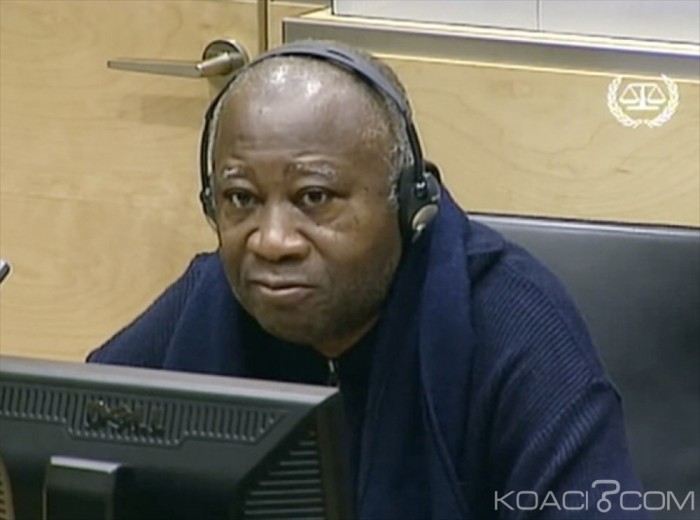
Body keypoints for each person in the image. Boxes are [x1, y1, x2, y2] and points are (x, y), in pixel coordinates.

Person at [87, 40, 648, 519]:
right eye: (241, 199)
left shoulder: (513, 326)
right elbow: (70, 446)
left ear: (407, 203)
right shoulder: (208, 300)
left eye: (314, 197)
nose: (272, 241)